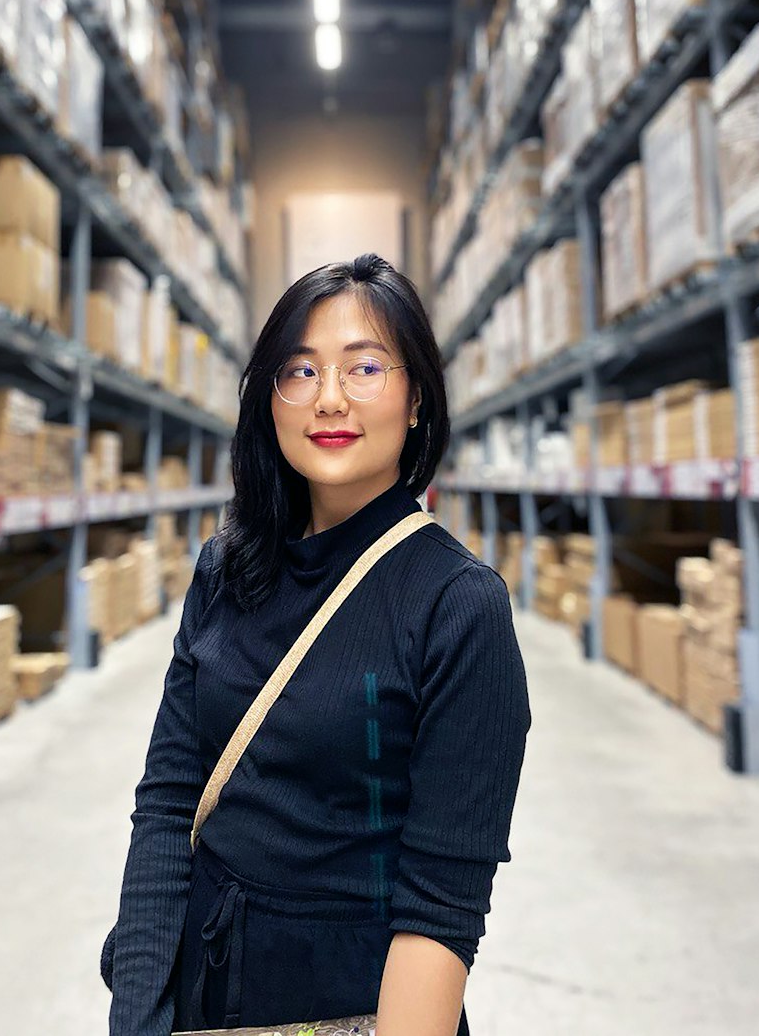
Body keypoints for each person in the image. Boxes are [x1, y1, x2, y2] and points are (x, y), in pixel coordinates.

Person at [101, 253, 532, 1035]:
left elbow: (439, 909)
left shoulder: (458, 606)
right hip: (205, 985)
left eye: (365, 366)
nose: (328, 398)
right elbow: (167, 804)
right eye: (298, 372)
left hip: (351, 1003)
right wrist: (136, 1016)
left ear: (415, 400)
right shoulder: (226, 568)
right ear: (268, 400)